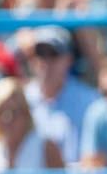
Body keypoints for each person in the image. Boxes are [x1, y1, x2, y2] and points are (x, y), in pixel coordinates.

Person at [24, 26, 99, 165]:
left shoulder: (90, 101)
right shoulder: (20, 100)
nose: (46, 61)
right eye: (40, 53)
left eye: (53, 53)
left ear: (69, 59)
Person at [0, 77, 64, 174]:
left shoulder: (46, 149)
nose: (8, 119)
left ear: (26, 113)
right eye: (2, 112)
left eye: (14, 111)